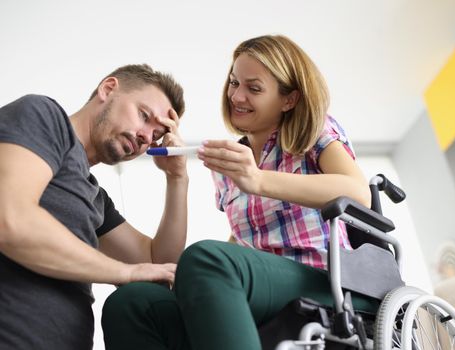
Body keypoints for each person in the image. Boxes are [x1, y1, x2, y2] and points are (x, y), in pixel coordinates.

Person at [102, 35, 371, 350]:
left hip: (326, 280)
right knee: (134, 301)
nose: (236, 96)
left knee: (206, 259)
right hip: (262, 287)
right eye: (233, 83)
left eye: (253, 88)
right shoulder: (231, 163)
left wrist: (256, 178)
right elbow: (242, 243)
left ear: (289, 100)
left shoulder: (312, 133)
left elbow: (358, 193)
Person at [0, 64, 189, 350]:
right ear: (108, 89)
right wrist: (123, 273)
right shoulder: (44, 117)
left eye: (157, 135)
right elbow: (11, 220)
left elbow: (156, 267)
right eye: (144, 116)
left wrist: (177, 178)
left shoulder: (93, 197)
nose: (146, 137)